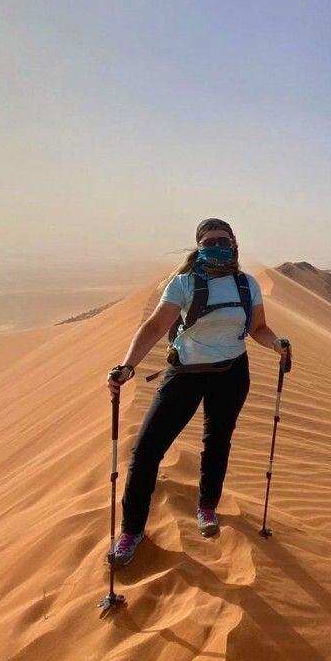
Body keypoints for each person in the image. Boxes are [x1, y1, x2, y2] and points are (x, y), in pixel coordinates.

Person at [106, 218, 290, 566]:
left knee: (217, 441)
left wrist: (277, 344)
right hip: (185, 374)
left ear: (235, 244)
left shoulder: (247, 285)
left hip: (232, 374)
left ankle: (207, 507)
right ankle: (131, 530)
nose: (216, 246)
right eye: (208, 242)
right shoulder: (184, 283)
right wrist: (128, 366)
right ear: (198, 247)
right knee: (146, 451)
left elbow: (259, 328)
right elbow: (156, 325)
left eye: (223, 240)